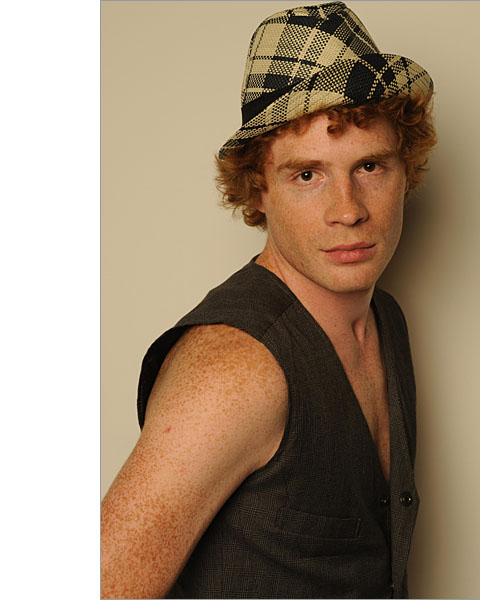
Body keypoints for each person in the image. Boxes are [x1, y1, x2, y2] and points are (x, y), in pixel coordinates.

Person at [101, 2, 437, 598]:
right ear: (258, 188)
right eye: (307, 175)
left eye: (369, 166)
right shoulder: (234, 369)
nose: (348, 210)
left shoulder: (386, 318)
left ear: (404, 169)